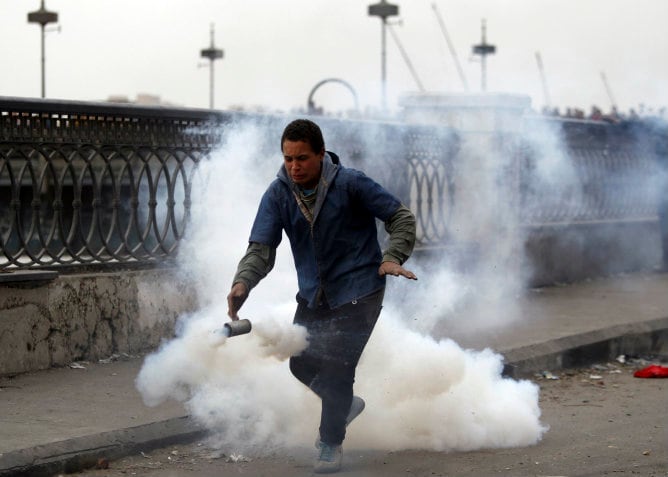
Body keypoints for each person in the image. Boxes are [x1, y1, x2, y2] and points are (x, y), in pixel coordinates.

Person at [226, 119, 418, 473]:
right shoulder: (278, 193)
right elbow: (260, 248)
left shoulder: (351, 183)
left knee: (338, 366)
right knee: (301, 361)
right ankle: (343, 407)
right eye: (288, 159)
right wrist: (243, 283)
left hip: (361, 289)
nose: (294, 166)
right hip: (314, 295)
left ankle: (331, 443)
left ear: (320, 154)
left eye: (302, 158)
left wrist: (392, 257)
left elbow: (401, 218)